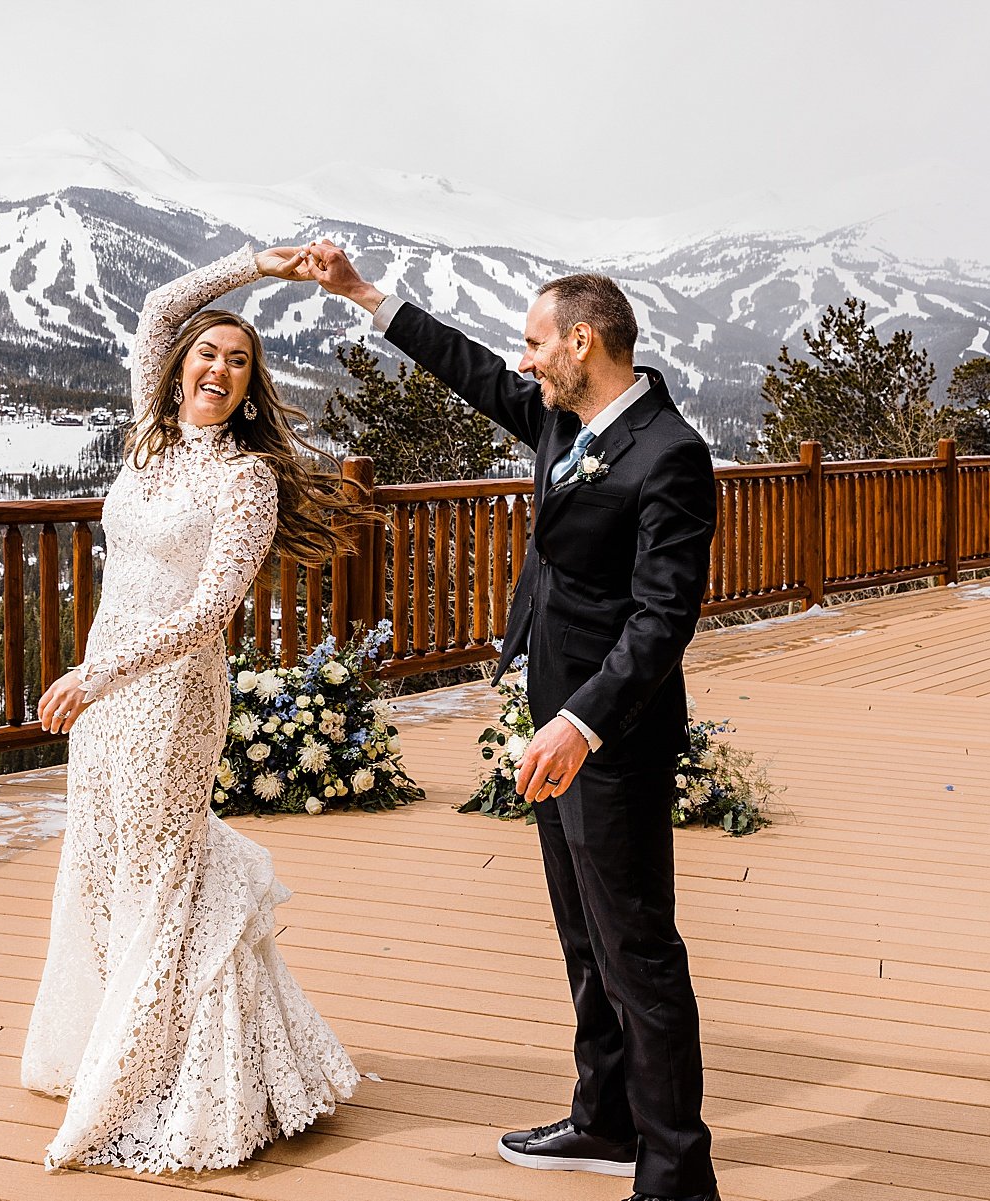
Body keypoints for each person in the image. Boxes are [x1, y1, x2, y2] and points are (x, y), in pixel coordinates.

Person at [307, 241, 720, 1201]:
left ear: (584, 340)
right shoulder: (561, 417)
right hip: (555, 724)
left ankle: (676, 1174)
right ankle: (604, 1117)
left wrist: (581, 723)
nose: (524, 359)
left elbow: (665, 617)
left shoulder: (670, 454)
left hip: (606, 736)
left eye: (537, 342)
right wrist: (366, 296)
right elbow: (469, 371)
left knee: (638, 949)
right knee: (583, 935)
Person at [20, 243, 361, 1173]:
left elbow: (209, 611)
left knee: (166, 869)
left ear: (251, 387)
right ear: (178, 370)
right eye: (206, 354)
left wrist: (99, 675)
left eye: (237, 361)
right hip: (104, 692)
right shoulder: (150, 434)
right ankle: (116, 1041)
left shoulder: (242, 477)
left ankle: (173, 1071)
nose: (217, 368)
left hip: (167, 695)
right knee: (102, 861)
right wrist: (264, 264)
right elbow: (161, 305)